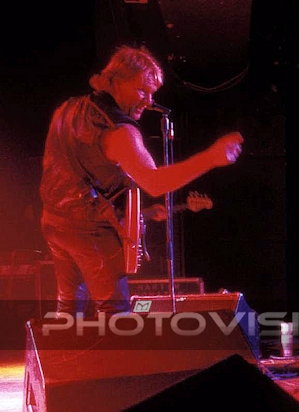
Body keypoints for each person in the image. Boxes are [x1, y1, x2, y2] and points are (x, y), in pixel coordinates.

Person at [39, 44, 244, 316]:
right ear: (115, 81)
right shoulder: (119, 130)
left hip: (54, 223)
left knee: (69, 307)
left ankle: (61, 344)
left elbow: (74, 173)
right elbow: (155, 183)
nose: (148, 101)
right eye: (141, 90)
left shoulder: (67, 109)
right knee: (114, 312)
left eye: (152, 93)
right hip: (90, 233)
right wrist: (212, 157)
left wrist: (137, 214)